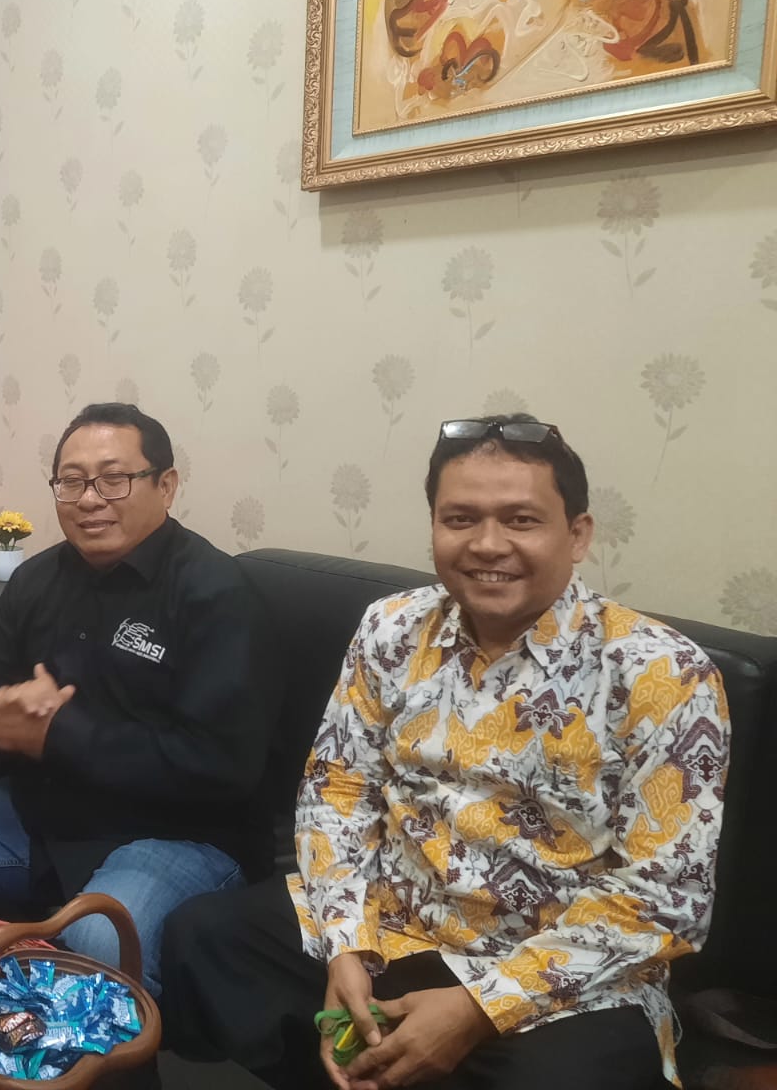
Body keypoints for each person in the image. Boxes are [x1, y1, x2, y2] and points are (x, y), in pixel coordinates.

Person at [161, 415, 728, 1090]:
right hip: (395, 921)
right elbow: (338, 788)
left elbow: (663, 896)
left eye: (521, 520)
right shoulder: (392, 627)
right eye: (460, 519)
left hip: (554, 968)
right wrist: (345, 944)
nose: (487, 544)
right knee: (206, 938)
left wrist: (478, 1009)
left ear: (577, 535)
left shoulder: (662, 673)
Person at [0, 402, 282, 994]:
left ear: (166, 486)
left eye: (113, 479)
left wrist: (57, 732)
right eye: (71, 481)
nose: (89, 499)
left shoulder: (218, 595)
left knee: (100, 937)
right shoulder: (37, 579)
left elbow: (221, 764)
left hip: (178, 835)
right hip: (45, 817)